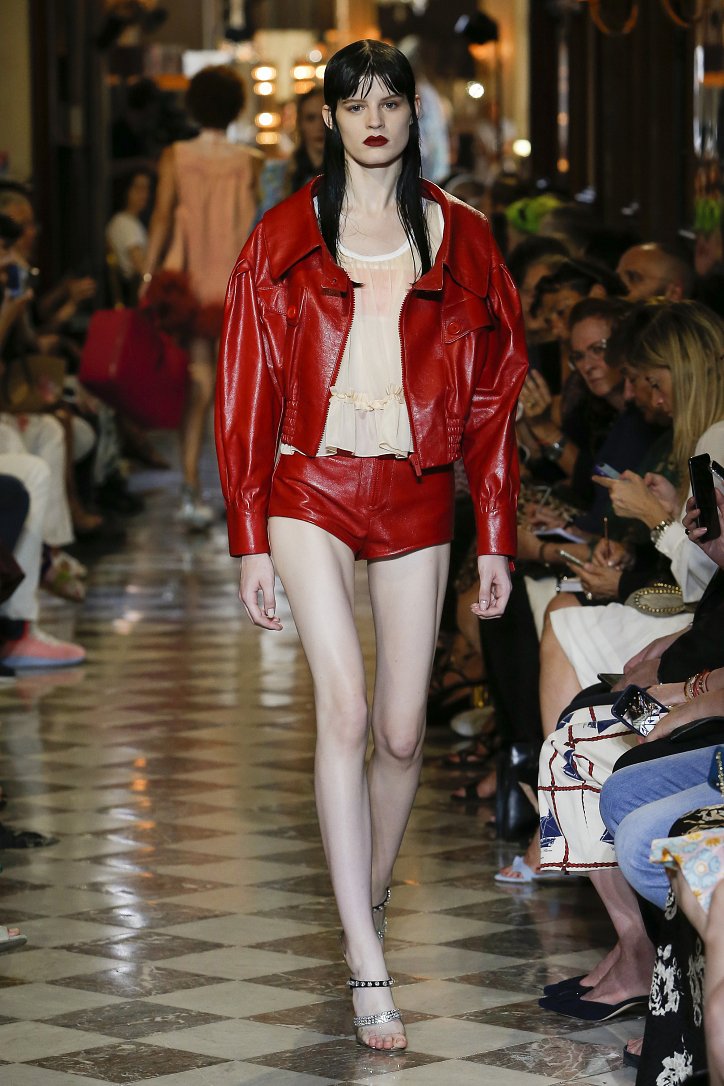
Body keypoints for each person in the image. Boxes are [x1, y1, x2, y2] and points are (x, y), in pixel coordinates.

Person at [216, 39, 527, 1053]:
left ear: (412, 114)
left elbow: (494, 397)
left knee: (400, 732)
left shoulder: (462, 235)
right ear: (329, 119)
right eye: (356, 104)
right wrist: (249, 536)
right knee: (344, 711)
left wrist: (495, 533)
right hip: (308, 481)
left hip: (414, 487)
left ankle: (372, 901)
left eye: (391, 102)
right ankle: (364, 956)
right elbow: (244, 389)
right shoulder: (281, 237)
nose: (375, 120)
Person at [143, 64, 262, 530]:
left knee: (198, 386)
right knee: (238, 392)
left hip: (190, 285)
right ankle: (239, 492)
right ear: (236, 107)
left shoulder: (176, 156)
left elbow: (161, 218)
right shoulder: (250, 161)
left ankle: (191, 487)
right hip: (236, 284)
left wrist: (149, 274)